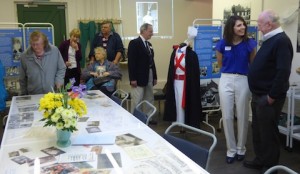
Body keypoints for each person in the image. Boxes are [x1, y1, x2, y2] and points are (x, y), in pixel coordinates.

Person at [244, 10, 293, 173]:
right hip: (259, 95)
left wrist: (272, 96)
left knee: (268, 133)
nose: (258, 28)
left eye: (259, 25)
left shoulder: (281, 41)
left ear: (269, 24)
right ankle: (260, 160)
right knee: (258, 131)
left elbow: (283, 72)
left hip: (268, 97)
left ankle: (270, 167)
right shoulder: (270, 40)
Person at [215, 15, 257, 164]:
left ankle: (241, 148)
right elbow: (220, 64)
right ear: (231, 27)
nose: (243, 28)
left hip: (243, 79)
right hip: (225, 79)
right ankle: (231, 150)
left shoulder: (250, 44)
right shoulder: (221, 44)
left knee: (243, 115)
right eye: (239, 25)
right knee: (226, 116)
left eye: (243, 25)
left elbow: (253, 63)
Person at [163, 43, 203, 128]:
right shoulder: (174, 53)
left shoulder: (192, 55)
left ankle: (185, 122)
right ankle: (177, 121)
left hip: (186, 83)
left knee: (184, 102)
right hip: (175, 82)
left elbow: (194, 72)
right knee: (176, 102)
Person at [19, 31, 66, 95]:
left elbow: (61, 68)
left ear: (44, 43)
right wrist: (23, 95)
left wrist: (59, 80)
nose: (35, 47)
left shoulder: (54, 51)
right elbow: (22, 78)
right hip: (34, 94)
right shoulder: (25, 56)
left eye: (37, 44)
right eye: (33, 44)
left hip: (52, 93)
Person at [128, 23, 157, 114]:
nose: (152, 33)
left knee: (149, 97)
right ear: (143, 31)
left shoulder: (149, 44)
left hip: (149, 74)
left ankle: (149, 117)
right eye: (150, 31)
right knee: (137, 98)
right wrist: (132, 78)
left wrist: (155, 76)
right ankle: (136, 118)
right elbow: (131, 62)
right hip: (138, 76)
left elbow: (152, 61)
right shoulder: (134, 43)